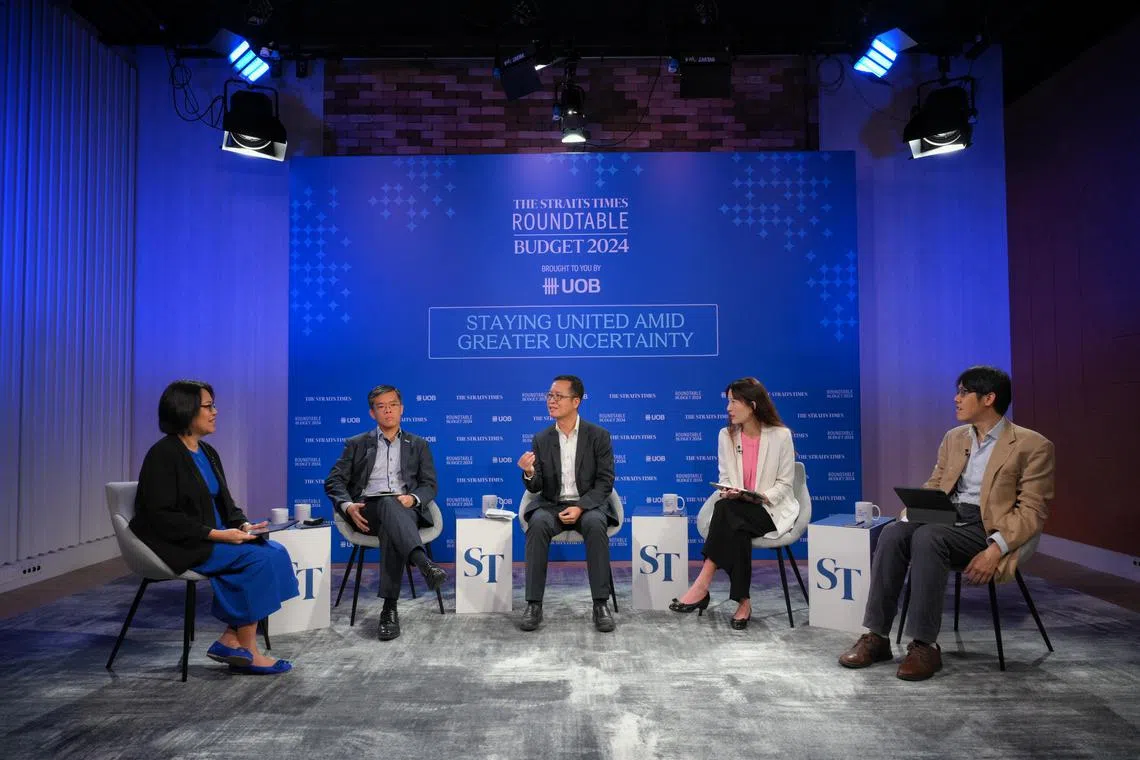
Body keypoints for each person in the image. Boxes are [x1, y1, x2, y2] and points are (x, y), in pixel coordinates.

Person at [838, 366, 1055, 680]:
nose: (956, 399)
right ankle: (877, 636)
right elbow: (937, 482)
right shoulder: (954, 438)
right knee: (894, 532)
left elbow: (1032, 511)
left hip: (987, 526)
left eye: (964, 392)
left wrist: (996, 550)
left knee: (929, 538)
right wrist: (912, 510)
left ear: (989, 398)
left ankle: (925, 645)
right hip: (947, 516)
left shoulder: (1033, 445)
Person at [131, 380, 299, 675]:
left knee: (275, 551)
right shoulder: (163, 455)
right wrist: (218, 534)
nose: (215, 412)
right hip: (183, 542)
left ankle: (230, 638)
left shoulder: (207, 452)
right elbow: (162, 516)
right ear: (186, 410)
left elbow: (226, 504)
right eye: (208, 406)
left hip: (214, 537)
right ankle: (248, 649)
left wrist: (244, 525)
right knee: (257, 560)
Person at [669, 377, 798, 629]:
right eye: (727, 402)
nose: (728, 408)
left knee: (727, 513)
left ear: (752, 404)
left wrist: (761, 497)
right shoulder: (726, 435)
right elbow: (726, 478)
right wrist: (731, 491)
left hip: (770, 510)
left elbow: (784, 484)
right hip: (738, 509)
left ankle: (702, 585)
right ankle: (743, 602)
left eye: (734, 402)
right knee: (732, 516)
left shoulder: (781, 436)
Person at [324, 384, 445, 641]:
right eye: (381, 406)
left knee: (394, 515)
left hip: (405, 510)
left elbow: (429, 485)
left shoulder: (419, 444)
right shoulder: (356, 444)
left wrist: (413, 499)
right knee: (387, 504)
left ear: (402, 409)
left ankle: (389, 609)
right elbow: (334, 482)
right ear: (372, 413)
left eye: (392, 405)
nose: (388, 410)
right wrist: (347, 506)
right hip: (368, 511)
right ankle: (424, 565)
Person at [517, 375, 617, 632]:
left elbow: (605, 483)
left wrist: (581, 507)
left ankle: (600, 604)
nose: (551, 401)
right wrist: (529, 472)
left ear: (576, 401)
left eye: (558, 396)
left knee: (596, 525)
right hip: (552, 505)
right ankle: (533, 605)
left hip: (588, 506)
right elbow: (537, 487)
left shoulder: (598, 436)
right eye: (550, 396)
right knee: (537, 524)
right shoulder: (541, 438)